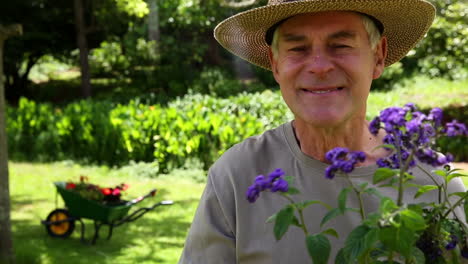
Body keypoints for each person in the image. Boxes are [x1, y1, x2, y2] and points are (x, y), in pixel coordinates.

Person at [178, 0, 466, 263]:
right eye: (298, 49)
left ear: (378, 56)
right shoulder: (236, 177)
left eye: (340, 45)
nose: (319, 67)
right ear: (276, 64)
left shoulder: (436, 185)